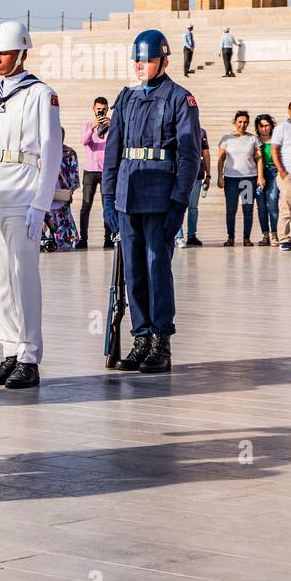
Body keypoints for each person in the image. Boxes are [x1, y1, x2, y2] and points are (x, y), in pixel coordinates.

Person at [0, 20, 63, 389]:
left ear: (22, 52)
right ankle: (9, 349)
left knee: (23, 277)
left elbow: (51, 151)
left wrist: (41, 203)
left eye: (4, 53)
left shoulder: (41, 94)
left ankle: (29, 355)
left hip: (23, 193)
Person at [102, 29, 202, 373]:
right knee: (133, 271)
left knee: (157, 269)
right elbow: (112, 152)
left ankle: (161, 341)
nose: (140, 66)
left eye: (147, 60)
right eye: (137, 60)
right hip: (128, 197)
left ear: (164, 61)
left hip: (161, 199)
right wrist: (108, 197)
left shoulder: (179, 98)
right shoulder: (126, 99)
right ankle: (141, 337)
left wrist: (179, 203)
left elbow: (189, 157)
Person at [217, 110, 260, 247]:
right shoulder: (226, 138)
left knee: (248, 209)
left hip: (248, 179)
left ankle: (246, 238)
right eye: (240, 122)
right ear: (235, 123)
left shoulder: (253, 139)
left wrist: (260, 177)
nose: (243, 124)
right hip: (231, 179)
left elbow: (259, 159)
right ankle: (230, 238)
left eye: (245, 122)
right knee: (231, 209)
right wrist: (220, 177)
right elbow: (221, 159)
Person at [78, 97, 113, 249]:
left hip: (106, 171)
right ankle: (83, 239)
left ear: (107, 110)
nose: (101, 112)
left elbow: (117, 141)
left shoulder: (113, 125)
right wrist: (93, 127)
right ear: (93, 109)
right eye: (98, 109)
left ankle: (108, 239)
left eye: (104, 109)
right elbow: (84, 142)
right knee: (86, 205)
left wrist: (112, 125)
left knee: (108, 206)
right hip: (90, 171)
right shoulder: (87, 125)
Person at [175, 123, 211, 248]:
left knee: (193, 207)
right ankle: (178, 236)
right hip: (178, 173)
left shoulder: (201, 132)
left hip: (196, 174)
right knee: (178, 205)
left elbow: (205, 153)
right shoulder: (175, 128)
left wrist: (208, 175)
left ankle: (192, 235)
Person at [43, 135, 79, 251]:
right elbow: (73, 176)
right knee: (63, 220)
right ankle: (64, 241)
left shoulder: (42, 152)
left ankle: (47, 239)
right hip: (60, 194)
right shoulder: (69, 153)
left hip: (45, 193)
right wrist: (70, 190)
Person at [273, 99, 291, 250]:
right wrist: (281, 171)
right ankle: (284, 239)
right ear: (288, 110)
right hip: (289, 175)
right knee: (287, 208)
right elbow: (274, 149)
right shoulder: (282, 128)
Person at [256, 114, 279, 246]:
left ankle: (275, 235)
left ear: (271, 126)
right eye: (261, 126)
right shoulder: (255, 140)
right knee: (261, 207)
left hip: (273, 174)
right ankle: (265, 236)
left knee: (272, 204)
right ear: (257, 127)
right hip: (258, 175)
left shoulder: (276, 140)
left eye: (266, 125)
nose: (264, 128)